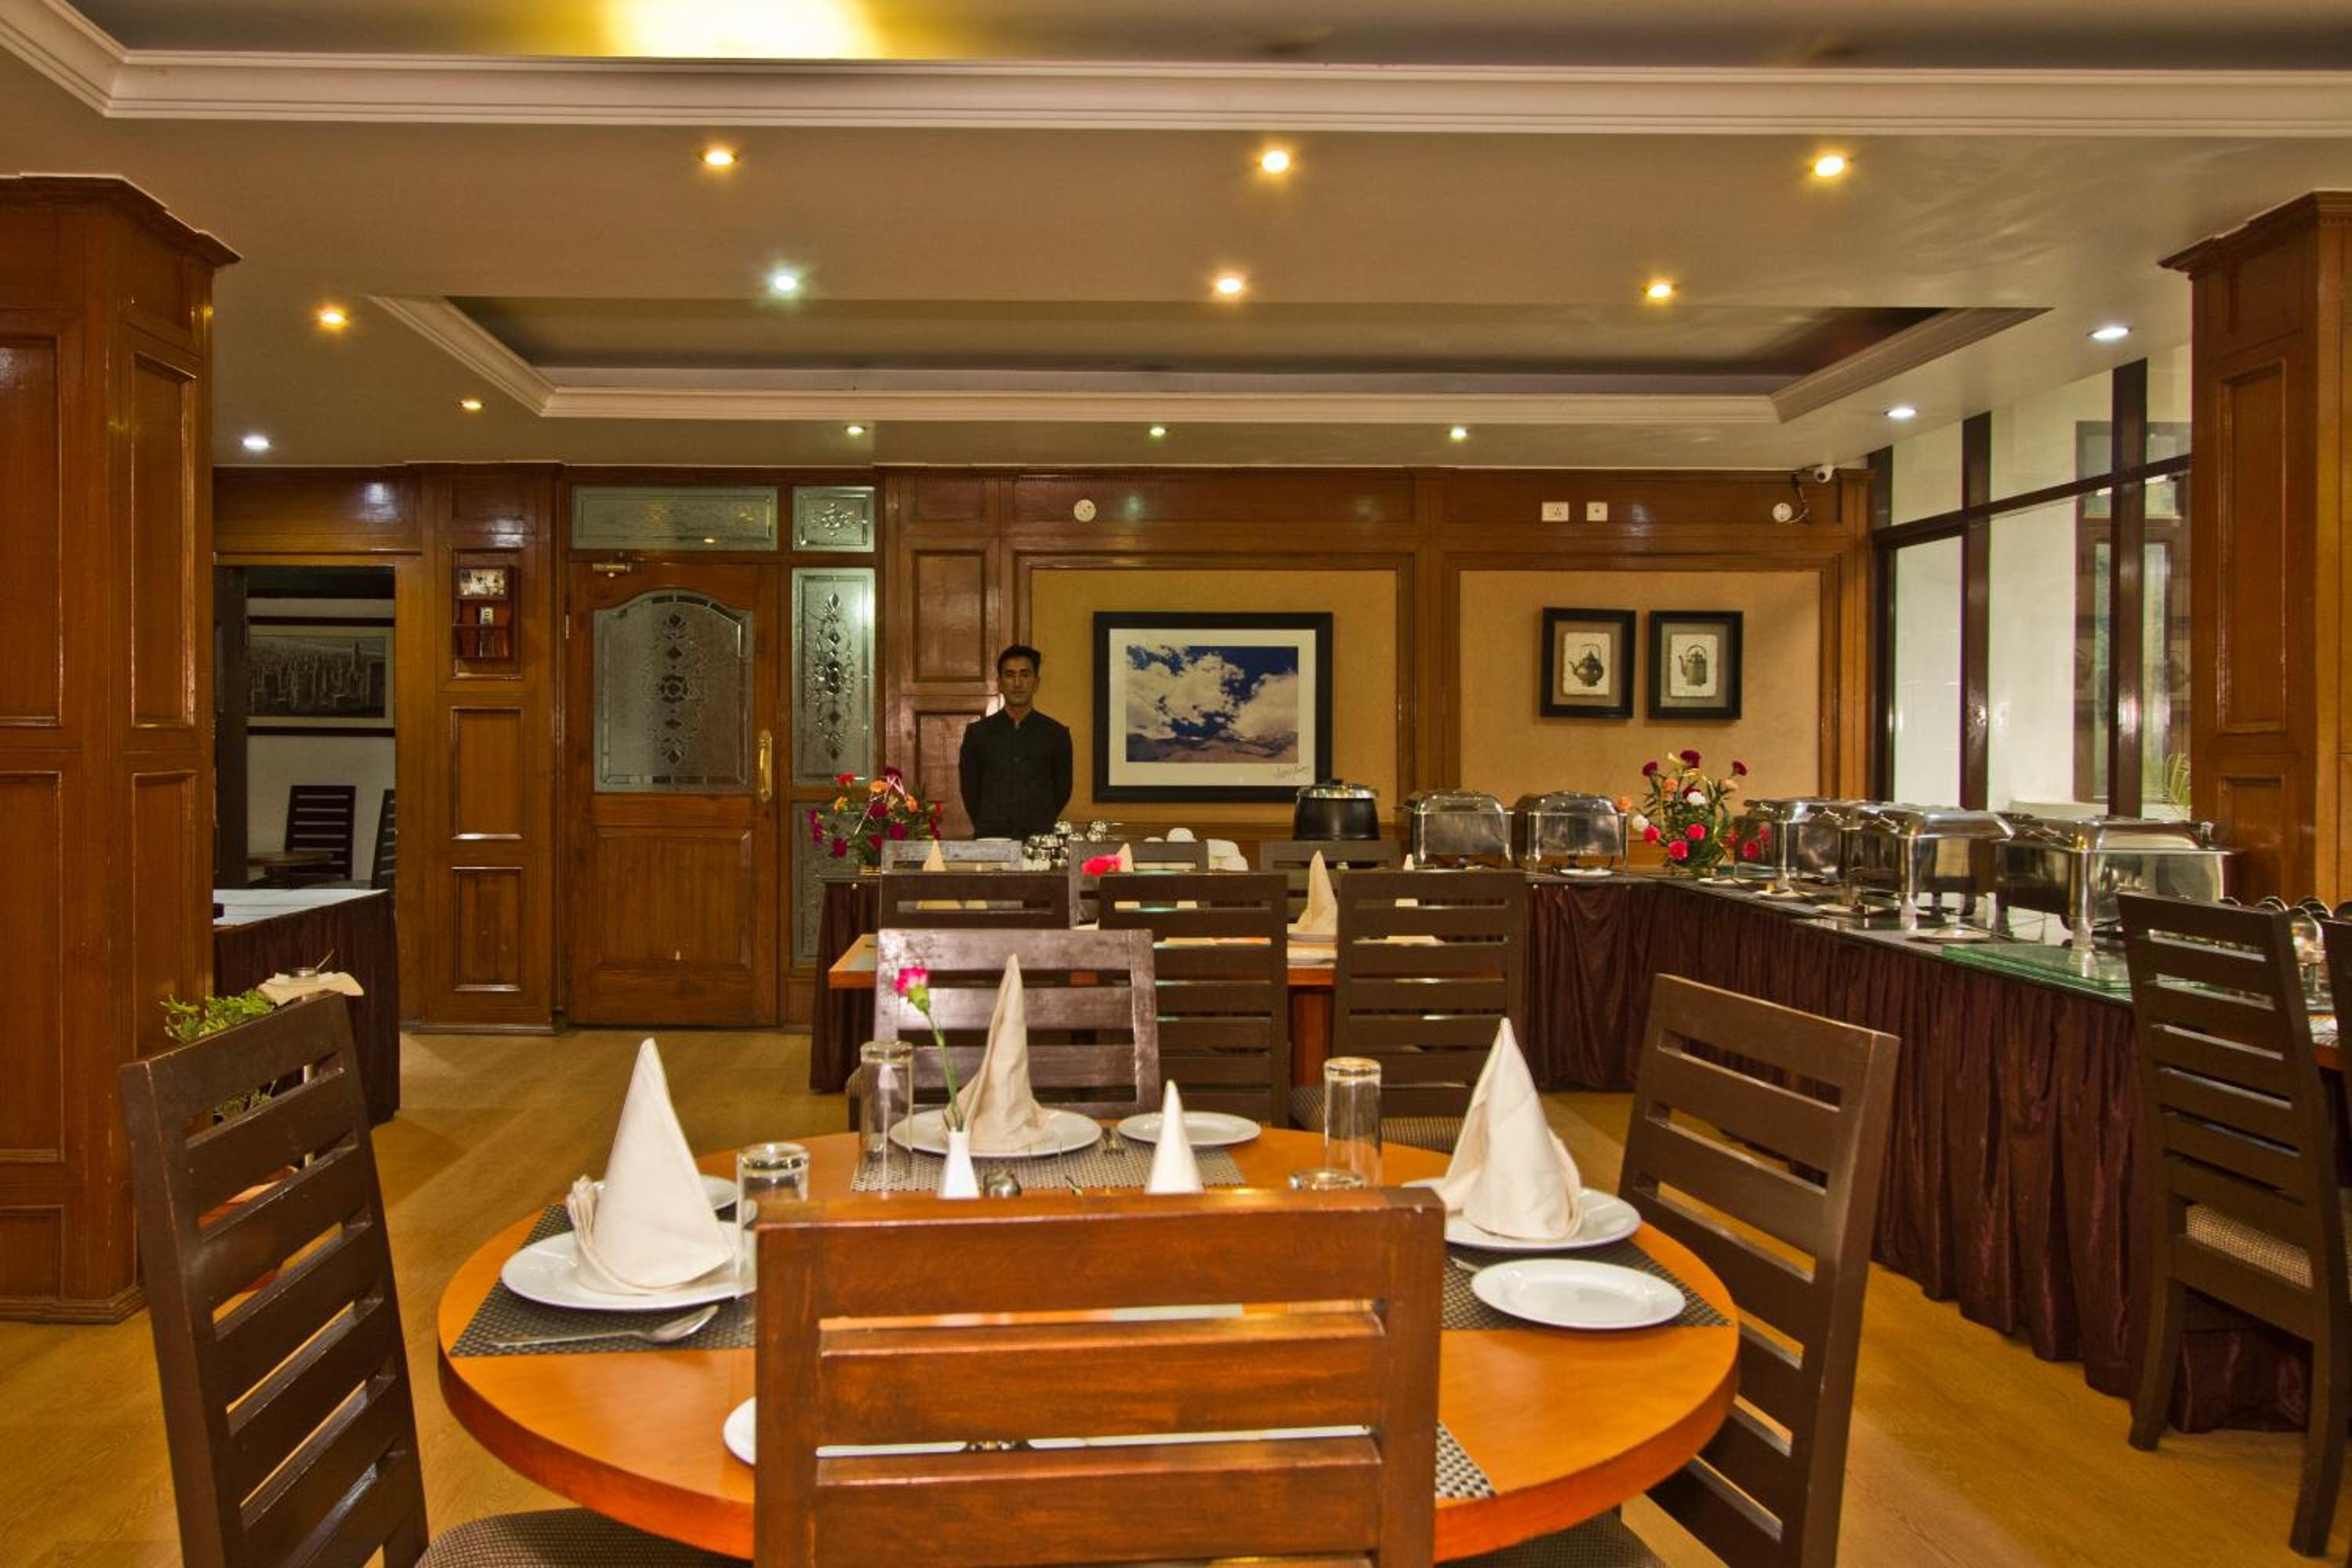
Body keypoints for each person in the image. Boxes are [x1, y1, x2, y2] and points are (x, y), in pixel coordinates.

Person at [958, 644, 1072, 841]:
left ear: (1036, 683)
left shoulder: (1056, 734)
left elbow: (1062, 791)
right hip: (990, 837)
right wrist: (990, 821)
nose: (1018, 683)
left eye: (1025, 675)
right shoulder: (977, 734)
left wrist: (1039, 819)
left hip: (1039, 840)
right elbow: (970, 791)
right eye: (1010, 675)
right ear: (1000, 683)